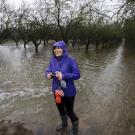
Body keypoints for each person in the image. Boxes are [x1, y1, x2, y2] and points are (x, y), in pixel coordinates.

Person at [45, 41, 80, 135]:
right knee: (60, 108)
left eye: (59, 48)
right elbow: (47, 70)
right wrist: (48, 74)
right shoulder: (52, 59)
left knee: (69, 111)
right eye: (55, 48)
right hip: (57, 90)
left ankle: (75, 129)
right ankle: (64, 124)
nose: (57, 50)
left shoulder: (70, 60)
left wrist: (64, 75)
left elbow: (77, 75)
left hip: (69, 91)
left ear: (63, 49)